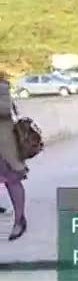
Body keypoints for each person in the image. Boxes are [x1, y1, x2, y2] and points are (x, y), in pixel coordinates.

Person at [0, 71, 28, 241]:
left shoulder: (2, 87)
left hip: (4, 144)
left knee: (12, 181)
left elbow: (6, 109)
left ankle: (19, 220)